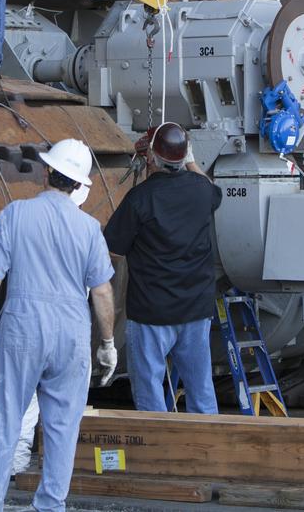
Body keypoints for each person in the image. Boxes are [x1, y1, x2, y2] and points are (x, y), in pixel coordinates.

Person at [0, 139, 118, 512]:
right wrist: (108, 342)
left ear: (48, 172)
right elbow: (101, 291)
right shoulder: (89, 228)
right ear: (80, 184)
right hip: (71, 332)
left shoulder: (15, 214)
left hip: (21, 327)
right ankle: (50, 505)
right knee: (63, 428)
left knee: (4, 422)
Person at [104, 122, 222, 414]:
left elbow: (114, 250)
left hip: (151, 312)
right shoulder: (201, 191)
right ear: (184, 156)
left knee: (149, 391)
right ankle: (207, 452)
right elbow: (210, 189)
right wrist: (192, 161)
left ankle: (156, 453)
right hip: (195, 308)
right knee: (201, 390)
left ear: (151, 158)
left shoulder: (139, 199)